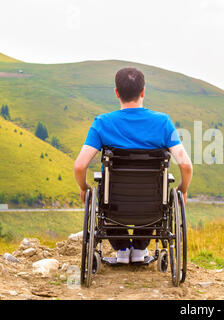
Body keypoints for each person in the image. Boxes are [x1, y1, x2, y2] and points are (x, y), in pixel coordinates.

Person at [74, 67, 193, 263]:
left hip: (114, 204)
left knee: (106, 194)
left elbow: (80, 167)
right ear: (143, 91)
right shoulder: (163, 122)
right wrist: (183, 189)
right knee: (153, 196)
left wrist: (84, 188)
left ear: (117, 93)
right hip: (152, 204)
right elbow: (186, 166)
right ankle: (138, 249)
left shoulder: (102, 123)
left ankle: (121, 249)